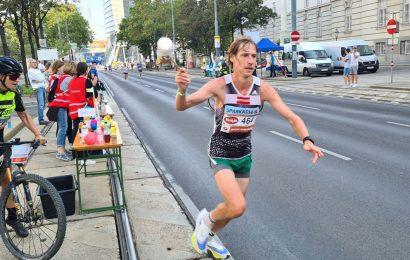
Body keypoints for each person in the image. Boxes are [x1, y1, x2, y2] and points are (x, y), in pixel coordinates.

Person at [175, 37, 324, 258]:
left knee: (232, 209)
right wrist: (182, 90)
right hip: (221, 152)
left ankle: (211, 237)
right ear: (232, 59)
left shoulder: (263, 89)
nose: (251, 60)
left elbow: (291, 117)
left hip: (244, 154)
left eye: (254, 56)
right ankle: (204, 220)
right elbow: (182, 106)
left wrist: (307, 140)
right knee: (237, 206)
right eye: (245, 55)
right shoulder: (219, 86)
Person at [0, 56, 46, 237]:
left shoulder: (14, 92)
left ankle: (12, 218)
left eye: (19, 76)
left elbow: (24, 115)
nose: (17, 79)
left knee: (5, 180)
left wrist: (38, 134)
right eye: (13, 76)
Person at [49, 62, 76, 161]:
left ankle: (63, 149)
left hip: (58, 105)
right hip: (61, 106)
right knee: (63, 127)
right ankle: (60, 152)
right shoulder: (69, 78)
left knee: (63, 127)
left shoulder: (61, 77)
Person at [27, 58, 49, 125]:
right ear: (30, 63)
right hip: (38, 88)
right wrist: (40, 79)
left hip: (42, 87)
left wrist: (40, 80)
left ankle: (42, 119)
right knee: (41, 105)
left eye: (35, 62)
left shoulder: (37, 70)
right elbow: (41, 78)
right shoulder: (30, 71)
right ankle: (41, 120)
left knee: (43, 104)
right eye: (33, 62)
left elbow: (43, 79)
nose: (35, 63)